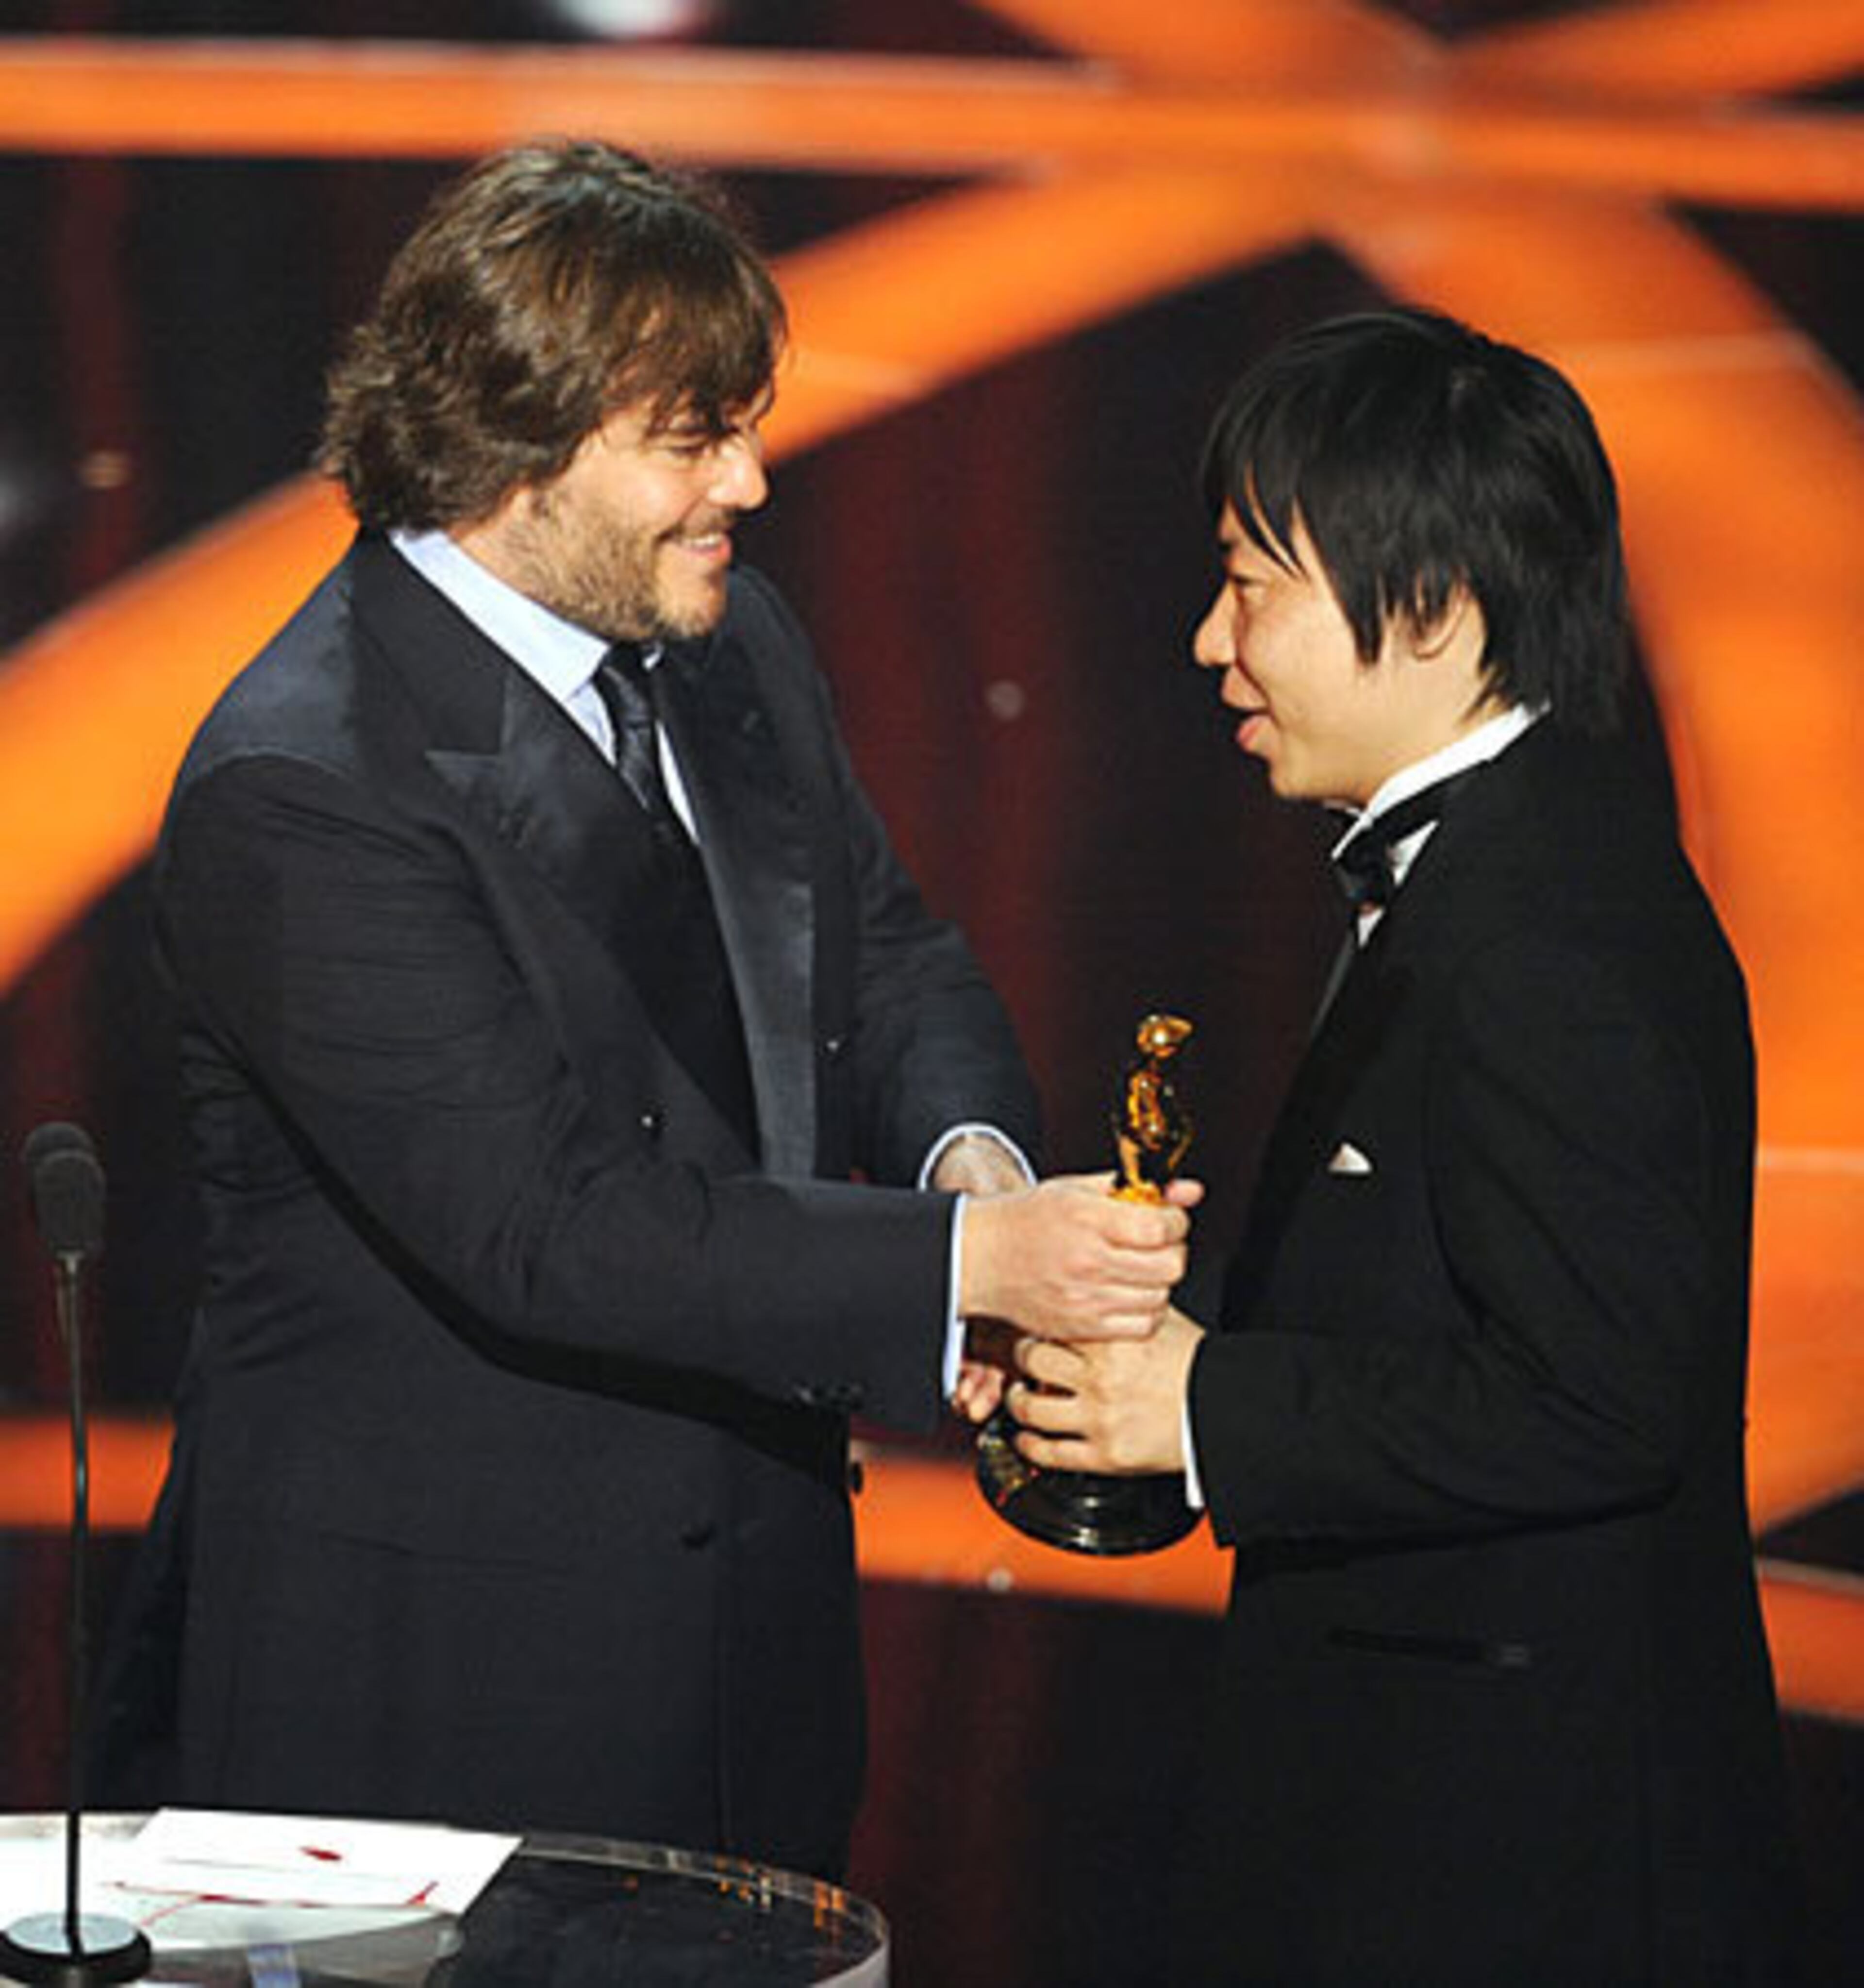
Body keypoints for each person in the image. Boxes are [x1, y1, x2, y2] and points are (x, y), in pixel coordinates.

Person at [113, 139, 1191, 1880]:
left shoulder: (733, 646)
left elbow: (890, 956)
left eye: (743, 428)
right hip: (443, 1705)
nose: (749, 482)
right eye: (692, 440)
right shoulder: (307, 785)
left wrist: (973, 1167)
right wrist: (971, 1271)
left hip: (753, 1661)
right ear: (509, 447)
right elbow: (549, 1227)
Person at [1009, 309, 1802, 1982]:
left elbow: (1599, 1398)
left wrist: (1200, 1405)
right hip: (1432, 1814)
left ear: (1434, 608)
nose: (1212, 642)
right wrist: (1136, 1360)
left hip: (1519, 1863)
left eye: (1253, 586)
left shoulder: (1549, 931)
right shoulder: (1500, 872)